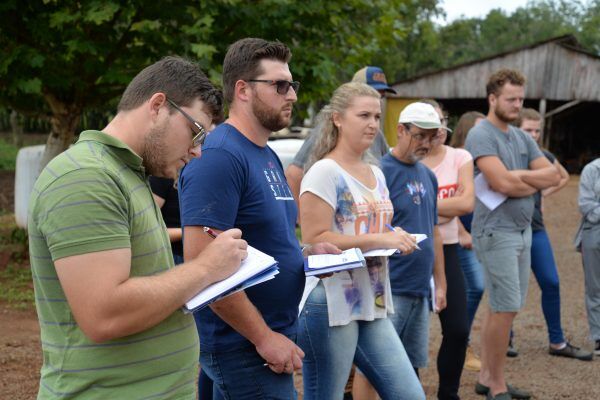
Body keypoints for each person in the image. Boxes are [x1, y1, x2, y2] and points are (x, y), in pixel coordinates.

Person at [27, 56, 248, 398]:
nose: (197, 151)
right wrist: (206, 268)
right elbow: (105, 314)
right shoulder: (85, 177)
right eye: (196, 131)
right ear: (158, 105)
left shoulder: (128, 173)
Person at [178, 38, 338, 399]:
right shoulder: (220, 155)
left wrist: (305, 253)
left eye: (292, 85)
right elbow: (203, 270)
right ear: (243, 90)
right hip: (244, 346)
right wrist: (264, 338)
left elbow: (261, 241)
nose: (292, 95)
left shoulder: (265, 155)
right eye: (280, 85)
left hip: (263, 339)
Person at [296, 82, 425, 400]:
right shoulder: (324, 171)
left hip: (373, 298)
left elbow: (370, 225)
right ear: (338, 118)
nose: (372, 124)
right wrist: (381, 238)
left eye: (377, 116)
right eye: (363, 115)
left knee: (410, 394)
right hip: (331, 301)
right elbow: (314, 239)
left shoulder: (376, 171)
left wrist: (396, 235)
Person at [465, 69, 561, 400]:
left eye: (521, 99)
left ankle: (489, 377)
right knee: (504, 306)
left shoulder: (520, 137)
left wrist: (515, 176)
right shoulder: (482, 136)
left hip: (522, 232)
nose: (517, 104)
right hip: (496, 232)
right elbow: (500, 183)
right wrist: (517, 179)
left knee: (505, 307)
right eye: (511, 99)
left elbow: (553, 175)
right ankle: (496, 385)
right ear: (493, 99)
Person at [510, 108, 592, 360]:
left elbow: (562, 176)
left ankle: (557, 341)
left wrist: (541, 195)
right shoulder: (506, 156)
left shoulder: (542, 155)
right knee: (509, 288)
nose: (533, 135)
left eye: (537, 130)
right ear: (516, 129)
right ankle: (505, 340)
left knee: (552, 282)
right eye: (528, 130)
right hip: (508, 230)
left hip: (536, 229)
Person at [380, 102, 448, 380]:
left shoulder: (428, 175)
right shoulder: (380, 171)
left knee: (412, 368)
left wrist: (440, 283)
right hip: (389, 286)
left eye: (432, 137)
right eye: (420, 135)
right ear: (401, 130)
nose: (427, 143)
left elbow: (435, 230)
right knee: (379, 366)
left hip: (420, 289)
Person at [285, 66, 395, 207]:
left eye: (382, 94)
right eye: (364, 115)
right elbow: (294, 174)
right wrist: (300, 217)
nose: (375, 97)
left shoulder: (376, 136)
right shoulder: (324, 160)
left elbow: (389, 167)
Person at [421, 100, 473, 400]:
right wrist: (443, 209)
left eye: (441, 121)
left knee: (457, 329)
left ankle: (448, 393)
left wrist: (420, 207)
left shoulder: (459, 156)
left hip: (450, 246)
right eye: (429, 124)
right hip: (413, 250)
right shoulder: (401, 160)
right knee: (408, 330)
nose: (437, 130)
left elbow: (467, 204)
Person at [449, 111, 487, 371]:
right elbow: (453, 199)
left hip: (478, 234)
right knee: (475, 285)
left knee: (472, 287)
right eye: (479, 130)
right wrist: (461, 231)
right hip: (458, 236)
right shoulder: (456, 160)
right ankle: (460, 341)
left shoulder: (479, 162)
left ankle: (461, 340)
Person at [575, 157, 600, 356]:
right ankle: (599, 336)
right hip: (595, 232)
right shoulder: (592, 169)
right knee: (595, 287)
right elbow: (587, 206)